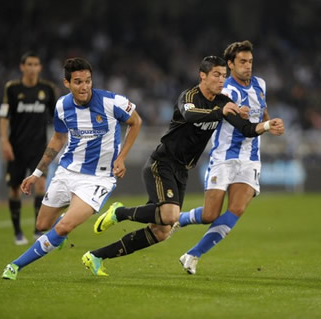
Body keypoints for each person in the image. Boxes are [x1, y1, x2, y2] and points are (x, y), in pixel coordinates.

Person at [82, 55, 283, 276]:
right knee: (170, 215)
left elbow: (245, 129)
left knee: (161, 231)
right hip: (162, 163)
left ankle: (97, 256)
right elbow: (189, 115)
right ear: (203, 76)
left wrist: (266, 125)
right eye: (216, 75)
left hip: (182, 170)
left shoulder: (223, 102)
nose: (221, 80)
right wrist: (220, 112)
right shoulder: (189, 96)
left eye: (224, 76)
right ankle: (119, 212)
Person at [2, 57, 142, 280]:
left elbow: (136, 122)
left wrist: (122, 157)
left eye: (87, 81)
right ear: (67, 83)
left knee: (64, 226)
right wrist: (37, 174)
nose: (84, 86)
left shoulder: (111, 102)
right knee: (42, 224)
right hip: (67, 171)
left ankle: (15, 266)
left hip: (98, 178)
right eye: (78, 82)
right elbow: (58, 139)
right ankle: (62, 230)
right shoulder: (61, 105)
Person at [177, 40, 285, 275]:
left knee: (236, 209)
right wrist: (246, 117)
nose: (248, 66)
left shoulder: (260, 85)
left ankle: (193, 254)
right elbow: (231, 118)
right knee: (209, 215)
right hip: (224, 157)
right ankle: (178, 219)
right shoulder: (225, 90)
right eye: (242, 62)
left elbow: (261, 111)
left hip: (250, 159)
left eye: (250, 62)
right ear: (230, 64)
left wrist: (270, 122)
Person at [0, 51, 57, 245]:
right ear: (22, 67)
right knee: (14, 189)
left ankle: (37, 230)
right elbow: (4, 116)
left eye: (36, 64)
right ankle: (17, 232)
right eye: (29, 64)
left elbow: (57, 117)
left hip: (40, 148)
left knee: (40, 185)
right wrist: (4, 141)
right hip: (16, 147)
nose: (32, 68)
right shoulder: (13, 88)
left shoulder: (47, 89)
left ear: (40, 67)